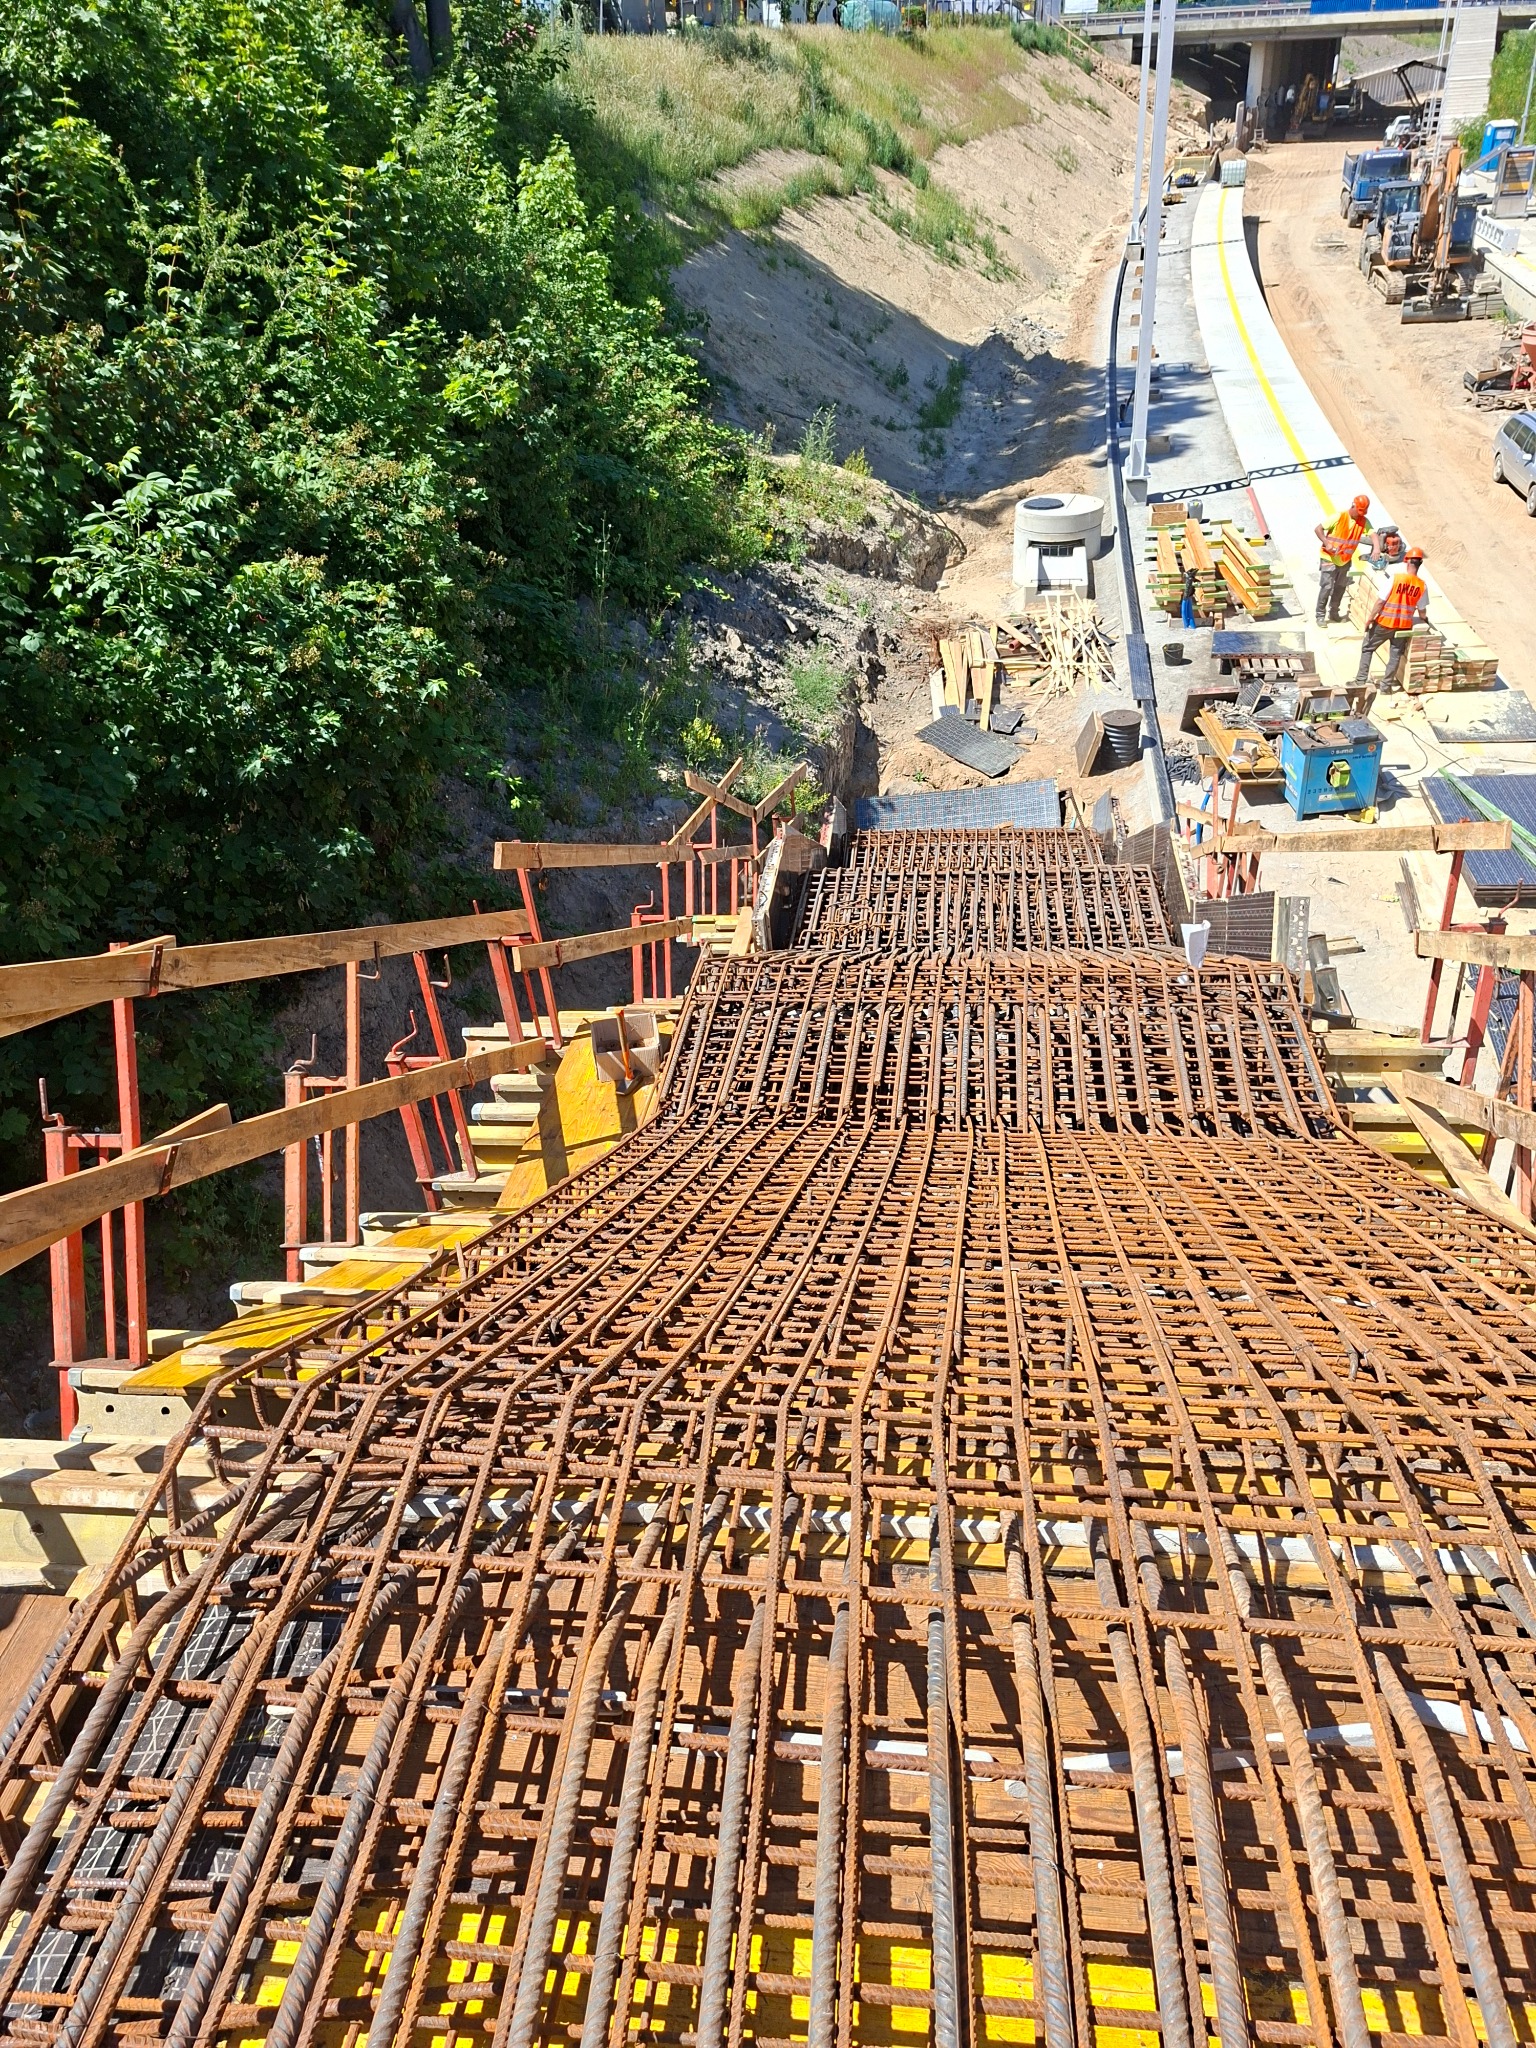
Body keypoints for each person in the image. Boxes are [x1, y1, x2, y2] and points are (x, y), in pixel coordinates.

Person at [1355, 547, 1428, 690]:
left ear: (1407, 561)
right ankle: (1386, 686)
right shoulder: (1422, 585)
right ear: (1420, 564)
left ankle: (1360, 681)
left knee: (1368, 648)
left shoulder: (1396, 579)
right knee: (1395, 655)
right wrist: (1424, 620)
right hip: (1403, 627)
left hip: (1385, 623)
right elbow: (1422, 610)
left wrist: (1370, 618)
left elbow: (1380, 601)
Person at [1314, 493, 1371, 625]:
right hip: (1329, 557)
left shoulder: (1363, 521)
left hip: (1344, 560)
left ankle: (1334, 613)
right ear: (1353, 506)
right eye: (1359, 511)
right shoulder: (1339, 517)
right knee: (1327, 587)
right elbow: (1318, 529)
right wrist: (1327, 543)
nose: (1360, 515)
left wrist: (1377, 548)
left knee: (1340, 587)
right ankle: (1320, 615)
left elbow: (1372, 534)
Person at [1181, 561, 1198, 630]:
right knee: (1186, 606)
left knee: (1187, 604)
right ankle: (1186, 625)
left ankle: (1189, 625)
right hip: (1187, 595)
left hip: (1188, 595)